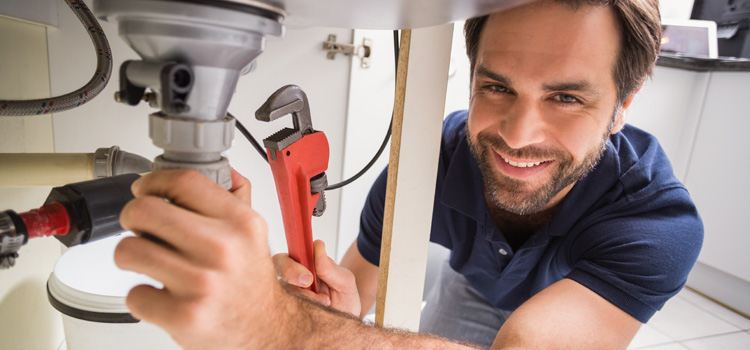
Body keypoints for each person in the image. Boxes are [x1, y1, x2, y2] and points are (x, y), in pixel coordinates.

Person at [114, 0, 703, 349]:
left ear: (625, 100)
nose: (519, 135)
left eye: (567, 98)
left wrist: (275, 325)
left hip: (576, 304)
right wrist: (322, 310)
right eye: (496, 86)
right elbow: (354, 285)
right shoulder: (435, 158)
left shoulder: (658, 223)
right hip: (470, 284)